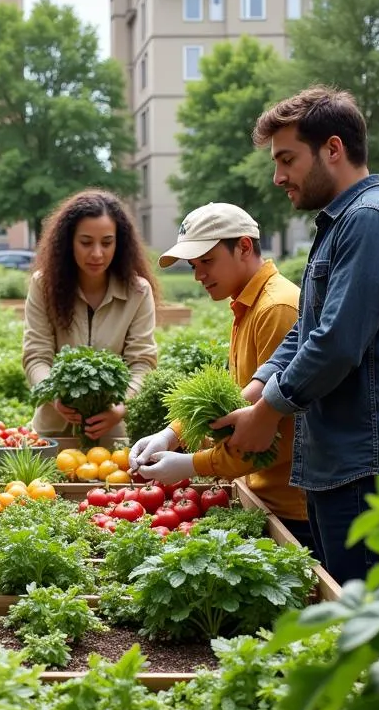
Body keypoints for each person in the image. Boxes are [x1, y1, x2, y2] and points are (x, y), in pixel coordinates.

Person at [214, 86, 379, 583]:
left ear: (332, 149)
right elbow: (306, 332)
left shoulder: (370, 221)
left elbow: (336, 342)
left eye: (287, 159)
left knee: (369, 628)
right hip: (343, 465)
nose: (278, 177)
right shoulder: (342, 223)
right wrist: (255, 392)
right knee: (347, 619)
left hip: (370, 468)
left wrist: (268, 412)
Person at [128, 203, 312, 551]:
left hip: (295, 509)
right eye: (194, 266)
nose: (198, 276)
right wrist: (173, 433)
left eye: (206, 261)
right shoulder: (247, 303)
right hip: (266, 498)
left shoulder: (276, 309)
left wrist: (192, 464)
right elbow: (238, 400)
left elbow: (276, 432)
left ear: (244, 246)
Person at [23, 190, 158, 442]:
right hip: (51, 435)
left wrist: (121, 407)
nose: (97, 253)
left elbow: (142, 362)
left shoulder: (138, 292)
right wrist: (54, 394)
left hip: (114, 436)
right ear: (68, 242)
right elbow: (36, 356)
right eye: (86, 242)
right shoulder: (43, 286)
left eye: (107, 242)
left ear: (119, 243)